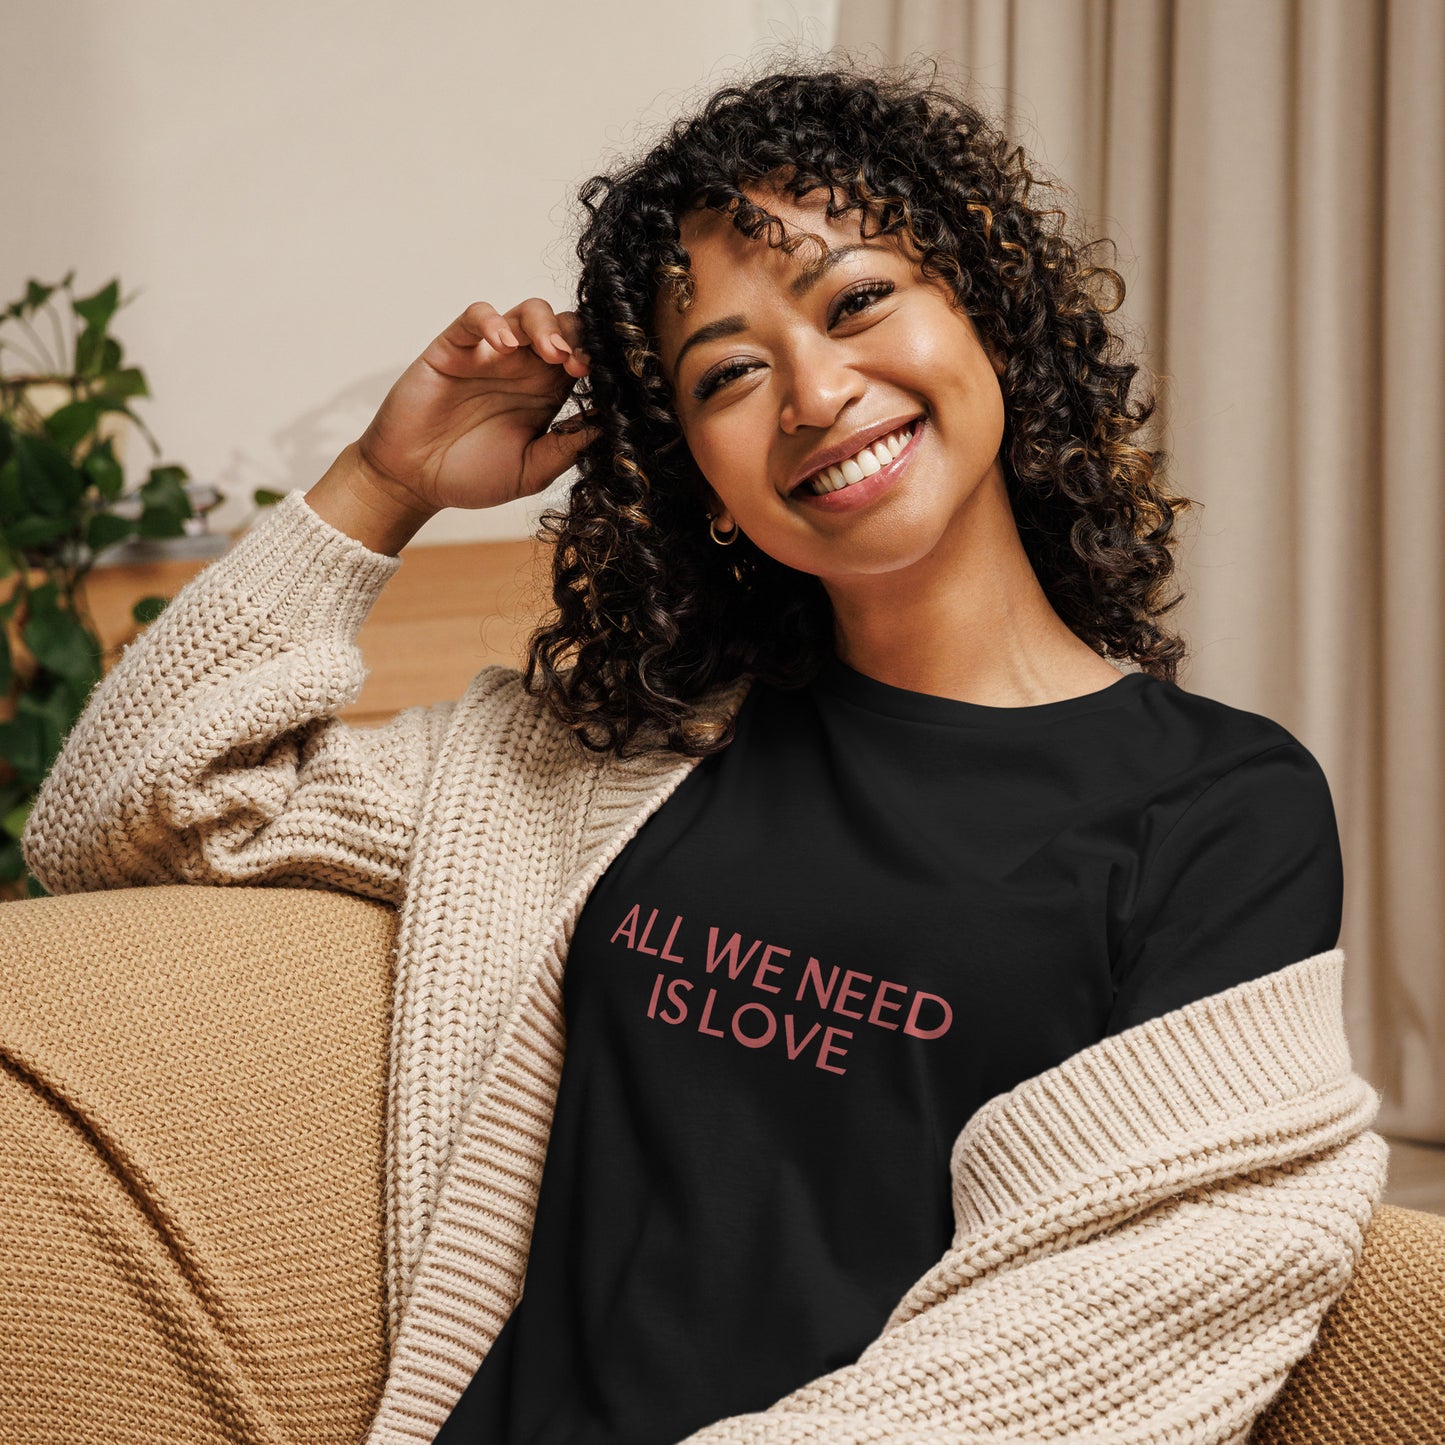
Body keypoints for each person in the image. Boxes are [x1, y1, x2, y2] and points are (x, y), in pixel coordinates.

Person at [16, 60, 1386, 1445]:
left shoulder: (1217, 807)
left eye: (857, 301)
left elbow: (1122, 1313)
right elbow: (127, 814)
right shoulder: (610, 762)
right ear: (701, 480)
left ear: (986, 314)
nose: (811, 390)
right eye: (728, 371)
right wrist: (382, 483)